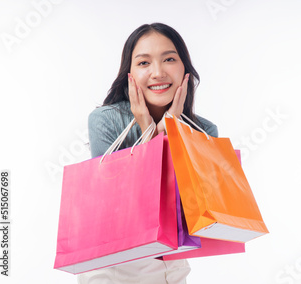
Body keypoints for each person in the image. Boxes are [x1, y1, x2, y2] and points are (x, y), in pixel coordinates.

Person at [78, 23, 218, 284]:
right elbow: (118, 208)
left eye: (169, 59)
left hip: (173, 263)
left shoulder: (205, 131)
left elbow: (196, 216)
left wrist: (172, 132)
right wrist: (149, 132)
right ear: (129, 73)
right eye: (144, 63)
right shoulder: (106, 120)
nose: (157, 72)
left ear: (184, 69)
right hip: (113, 264)